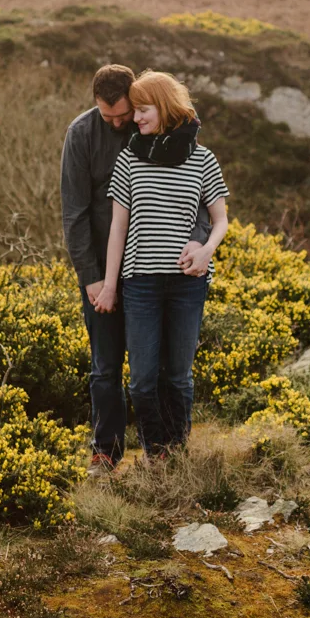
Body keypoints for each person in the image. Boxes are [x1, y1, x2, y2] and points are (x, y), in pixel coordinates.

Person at [61, 65, 210, 475]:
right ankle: (105, 451)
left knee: (159, 369)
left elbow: (196, 196)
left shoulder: (155, 126)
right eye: (108, 117)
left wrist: (198, 240)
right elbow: (74, 214)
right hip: (101, 274)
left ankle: (163, 450)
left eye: (123, 114)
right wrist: (93, 278)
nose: (119, 123)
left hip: (153, 269)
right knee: (105, 367)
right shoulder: (81, 134)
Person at [94, 71, 229, 461]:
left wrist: (206, 250)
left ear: (165, 107)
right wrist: (108, 284)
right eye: (135, 112)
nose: (135, 119)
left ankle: (177, 451)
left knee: (178, 377)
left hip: (188, 283)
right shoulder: (130, 158)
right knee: (141, 381)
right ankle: (158, 452)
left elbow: (219, 220)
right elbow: (118, 228)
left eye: (143, 110)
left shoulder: (203, 159)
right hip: (141, 284)